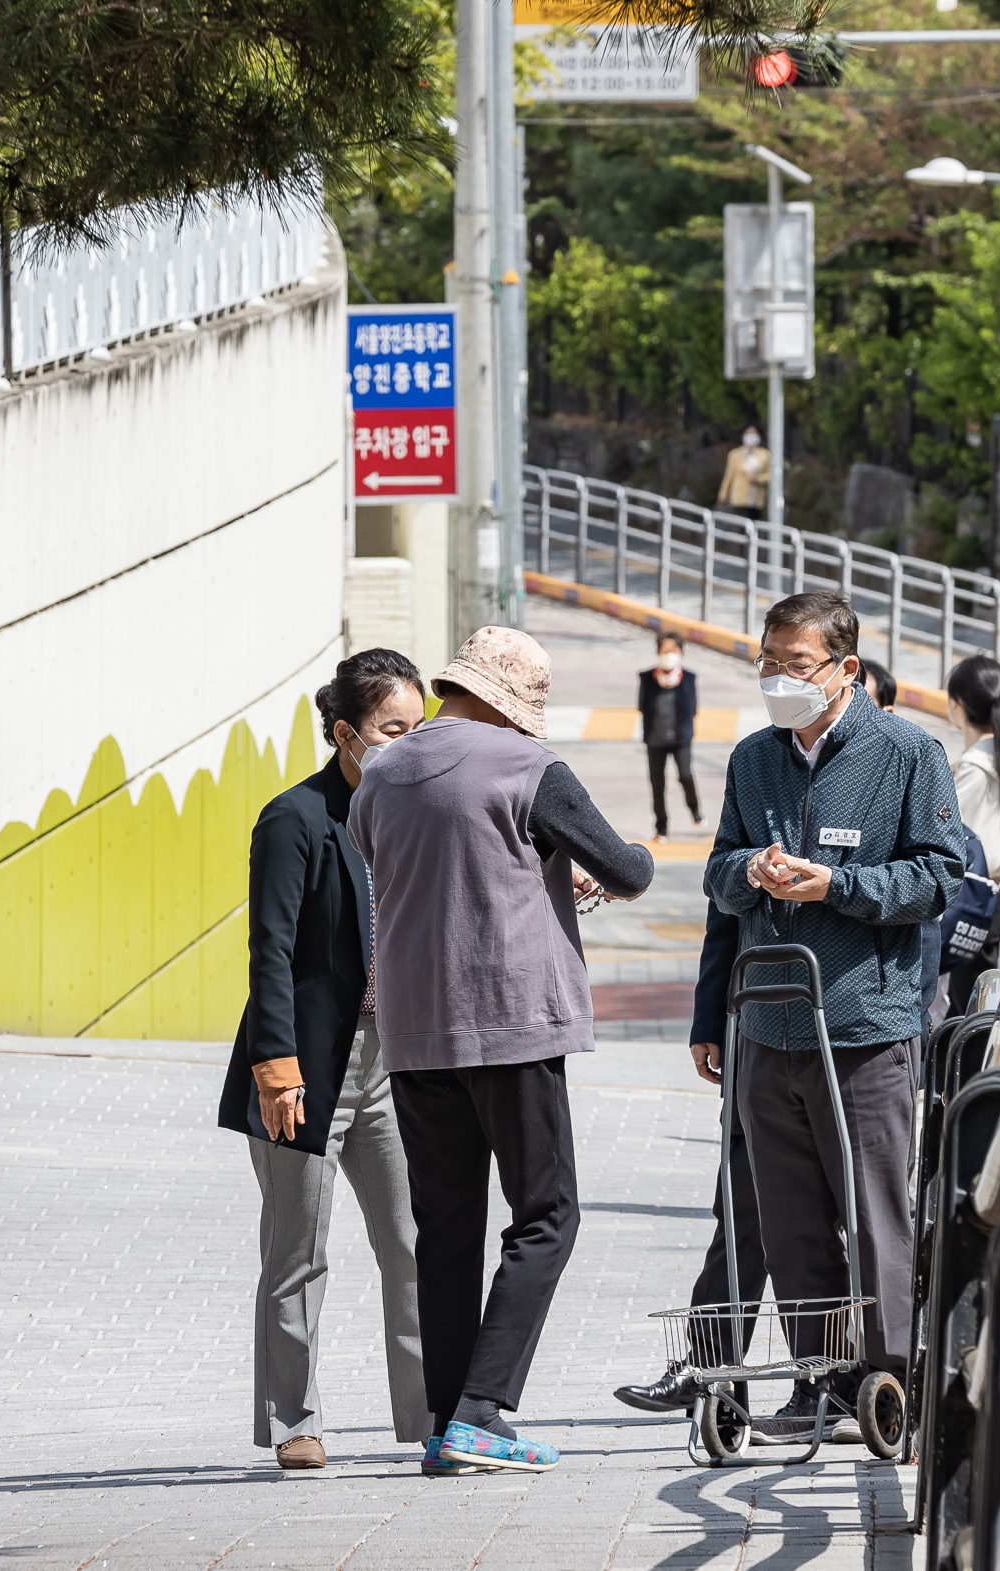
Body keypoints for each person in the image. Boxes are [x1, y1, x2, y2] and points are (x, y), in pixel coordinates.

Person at [349, 627, 653, 1475]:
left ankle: (445, 1421)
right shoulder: (529, 769)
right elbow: (625, 868)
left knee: (445, 1228)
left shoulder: (380, 775)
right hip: (512, 1020)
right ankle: (484, 1411)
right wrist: (602, 861)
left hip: (413, 1030)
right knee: (548, 1213)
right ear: (510, 704)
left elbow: (416, 862)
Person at [707, 592, 966, 1440]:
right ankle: (820, 1381)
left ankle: (888, 1383)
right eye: (768, 662)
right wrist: (752, 870)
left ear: (846, 669)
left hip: (864, 1029)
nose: (779, 678)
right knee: (790, 1224)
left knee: (875, 1213)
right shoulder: (752, 760)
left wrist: (838, 885)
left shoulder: (907, 754)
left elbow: (938, 879)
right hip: (768, 1027)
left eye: (797, 663)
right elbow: (716, 878)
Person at [218, 649, 436, 1471]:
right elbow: (268, 949)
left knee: (412, 1240)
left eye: (420, 728)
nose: (409, 745)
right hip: (308, 1064)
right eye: (392, 729)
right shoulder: (295, 818)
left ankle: (428, 1413)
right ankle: (292, 1421)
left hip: (391, 1061)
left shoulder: (416, 811)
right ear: (346, 734)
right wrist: (275, 1066)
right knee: (297, 1248)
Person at [611, 906, 772, 1418]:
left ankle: (843, 1377)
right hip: (758, 1035)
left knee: (846, 1226)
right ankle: (708, 1367)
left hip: (855, 1039)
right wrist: (709, 1019)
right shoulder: (751, 823)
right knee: (740, 1213)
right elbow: (724, 912)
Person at [942, 655, 1000, 1013]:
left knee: (962, 1013)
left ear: (958, 705)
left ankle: (968, 1072)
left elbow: (947, 837)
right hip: (995, 895)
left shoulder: (973, 769)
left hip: (969, 897)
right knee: (974, 1005)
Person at [639, 632, 701, 843]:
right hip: (655, 739)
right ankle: (661, 827)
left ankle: (694, 808)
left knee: (685, 775)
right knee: (657, 784)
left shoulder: (689, 678)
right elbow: (642, 706)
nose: (670, 655)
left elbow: (692, 708)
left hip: (681, 738)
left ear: (681, 653)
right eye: (665, 650)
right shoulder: (647, 678)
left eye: (673, 650)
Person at [718, 427, 771, 515]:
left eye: (754, 433)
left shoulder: (765, 454)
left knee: (754, 524)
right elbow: (729, 475)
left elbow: (771, 475)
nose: (751, 436)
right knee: (741, 524)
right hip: (739, 498)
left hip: (757, 499)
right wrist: (723, 494)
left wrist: (758, 479)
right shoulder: (735, 454)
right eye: (748, 433)